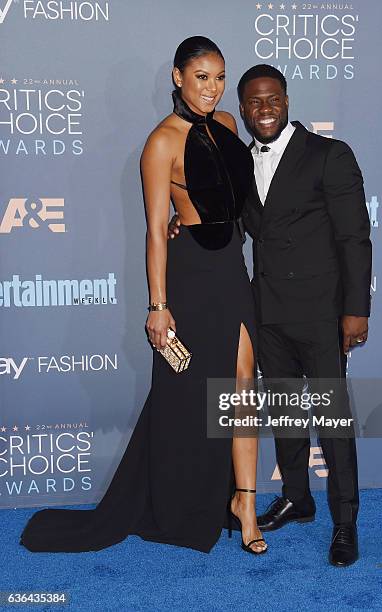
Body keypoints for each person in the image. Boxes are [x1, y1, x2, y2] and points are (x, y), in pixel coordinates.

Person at [19, 38, 267, 555]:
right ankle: (183, 504)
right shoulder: (161, 142)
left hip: (230, 266)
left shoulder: (226, 124)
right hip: (191, 274)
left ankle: (245, 499)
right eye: (202, 77)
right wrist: (159, 307)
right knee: (188, 395)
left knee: (244, 381)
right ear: (177, 77)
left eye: (220, 77)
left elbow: (231, 193)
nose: (212, 88)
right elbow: (156, 230)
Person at [169, 64, 372, 566]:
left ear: (286, 100)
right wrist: (183, 219)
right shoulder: (239, 159)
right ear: (242, 107)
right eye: (254, 102)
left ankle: (345, 522)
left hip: (323, 313)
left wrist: (355, 312)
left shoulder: (330, 155)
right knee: (284, 411)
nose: (264, 109)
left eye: (272, 99)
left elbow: (354, 237)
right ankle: (297, 497)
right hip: (268, 312)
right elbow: (224, 212)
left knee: (331, 418)